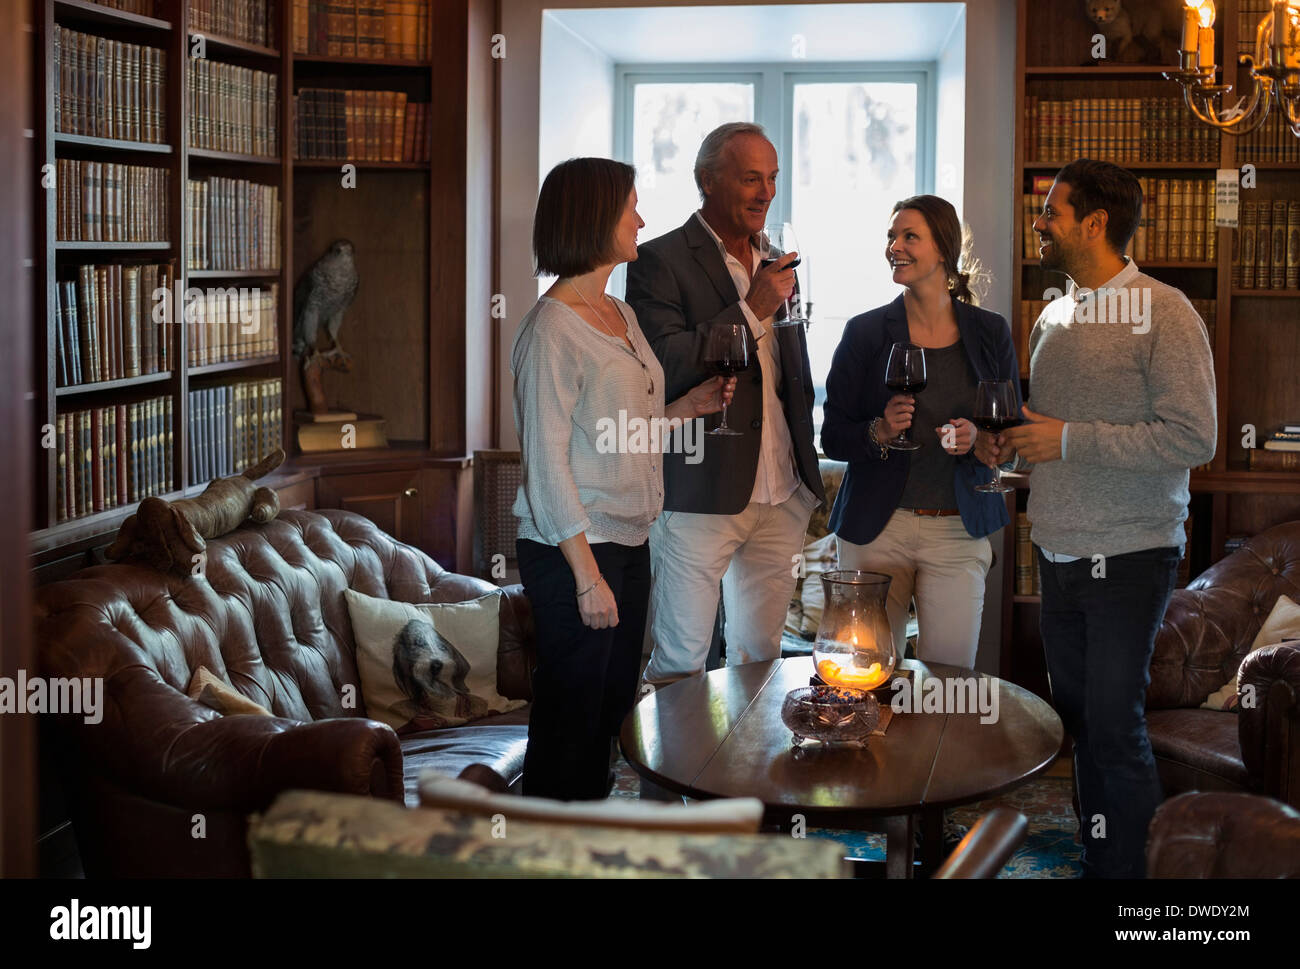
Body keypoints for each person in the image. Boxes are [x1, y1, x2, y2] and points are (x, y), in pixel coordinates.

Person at [991, 158, 1217, 878]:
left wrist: (1064, 437)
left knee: (1116, 728)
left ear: (1095, 223)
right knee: (1083, 726)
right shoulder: (1054, 314)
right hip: (1057, 551)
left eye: (1051, 210)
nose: (1039, 222)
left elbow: (1193, 437)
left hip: (1130, 554)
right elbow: (1054, 436)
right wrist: (1013, 448)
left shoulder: (1166, 310)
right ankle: (1101, 861)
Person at [512, 157, 734, 800]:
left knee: (610, 715)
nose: (641, 218)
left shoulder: (620, 313)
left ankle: (594, 843)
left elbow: (620, 429)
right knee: (571, 719)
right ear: (592, 219)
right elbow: (547, 463)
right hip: (572, 551)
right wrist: (586, 577)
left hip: (630, 544)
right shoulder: (552, 328)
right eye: (629, 207)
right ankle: (548, 855)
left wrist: (682, 412)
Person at [625, 122, 825, 686]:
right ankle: (671, 777)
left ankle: (745, 774)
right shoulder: (658, 259)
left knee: (759, 660)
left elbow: (789, 373)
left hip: (782, 489)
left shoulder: (778, 260)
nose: (766, 192)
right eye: (750, 179)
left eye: (773, 179)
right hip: (698, 491)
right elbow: (660, 365)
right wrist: (753, 308)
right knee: (681, 663)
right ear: (706, 181)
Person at [820, 195, 1019, 669]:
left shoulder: (991, 332)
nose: (895, 246)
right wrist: (880, 431)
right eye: (891, 236)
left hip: (958, 528)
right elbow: (832, 436)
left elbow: (1010, 437)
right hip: (876, 530)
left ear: (943, 249)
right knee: (864, 679)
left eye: (910, 236)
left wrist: (980, 439)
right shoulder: (865, 332)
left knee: (950, 681)